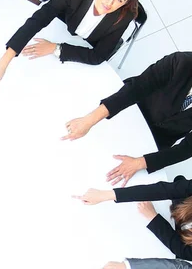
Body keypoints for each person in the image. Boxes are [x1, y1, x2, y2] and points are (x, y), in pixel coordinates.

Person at [0, 0, 140, 90]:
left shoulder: (124, 17)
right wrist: (5, 60)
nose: (109, 3)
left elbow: (97, 56)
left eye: (119, 0)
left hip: (85, 45)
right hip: (63, 26)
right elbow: (41, 18)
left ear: (125, 3)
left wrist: (56, 48)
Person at [63, 52, 192, 186]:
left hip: (157, 140)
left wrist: (140, 163)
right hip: (130, 111)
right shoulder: (182, 63)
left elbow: (187, 148)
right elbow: (138, 87)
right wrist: (89, 120)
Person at [73, 176, 192, 260]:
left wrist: (154, 218)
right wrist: (108, 195)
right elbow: (165, 190)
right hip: (181, 211)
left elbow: (182, 251)